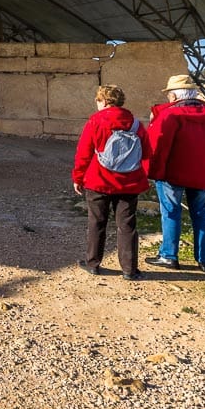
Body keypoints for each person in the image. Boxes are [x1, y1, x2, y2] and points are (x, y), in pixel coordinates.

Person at [145, 74, 205, 273]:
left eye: (169, 94)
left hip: (172, 174)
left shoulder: (169, 116)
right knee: (202, 215)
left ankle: (169, 255)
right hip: (204, 173)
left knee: (170, 212)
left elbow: (159, 147)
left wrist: (153, 172)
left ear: (175, 96)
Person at [72, 84, 152, 281]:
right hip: (129, 182)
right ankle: (129, 269)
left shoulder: (95, 121)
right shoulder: (135, 124)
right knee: (127, 225)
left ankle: (93, 263)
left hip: (99, 180)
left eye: (98, 100)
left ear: (105, 101)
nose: (97, 103)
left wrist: (78, 177)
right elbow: (147, 152)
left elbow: (84, 153)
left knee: (97, 222)